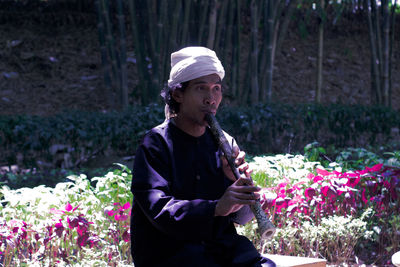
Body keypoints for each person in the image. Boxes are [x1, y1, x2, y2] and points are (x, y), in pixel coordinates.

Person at [130, 46, 275, 267]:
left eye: (216, 88)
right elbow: (159, 211)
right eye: (201, 88)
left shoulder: (225, 142)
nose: (211, 98)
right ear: (178, 94)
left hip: (220, 250)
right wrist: (216, 207)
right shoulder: (155, 145)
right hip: (170, 254)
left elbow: (242, 218)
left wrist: (234, 181)